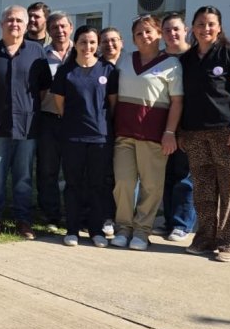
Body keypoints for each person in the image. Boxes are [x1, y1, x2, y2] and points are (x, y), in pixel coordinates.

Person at [178, 6, 230, 262]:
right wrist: (181, 131)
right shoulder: (187, 59)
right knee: (204, 189)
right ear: (193, 28)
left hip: (228, 132)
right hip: (196, 133)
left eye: (210, 24)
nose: (205, 29)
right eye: (200, 24)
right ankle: (206, 238)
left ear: (219, 27)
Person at [110, 15, 183, 251]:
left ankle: (142, 231)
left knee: (152, 186)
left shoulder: (171, 64)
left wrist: (170, 132)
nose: (144, 37)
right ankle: (123, 228)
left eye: (149, 32)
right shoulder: (125, 60)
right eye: (139, 33)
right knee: (123, 182)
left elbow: (177, 102)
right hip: (124, 133)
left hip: (153, 135)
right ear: (133, 38)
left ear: (159, 34)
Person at [0, 5, 51, 239]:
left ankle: (23, 221)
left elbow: (43, 90)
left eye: (19, 20)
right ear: (1, 24)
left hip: (27, 126)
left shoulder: (37, 52)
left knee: (23, 177)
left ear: (26, 23)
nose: (15, 24)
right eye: (10, 20)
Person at [52, 26, 118, 248]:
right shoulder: (65, 71)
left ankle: (96, 229)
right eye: (83, 42)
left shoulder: (107, 70)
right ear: (75, 43)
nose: (87, 47)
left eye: (92, 42)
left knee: (97, 185)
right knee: (73, 184)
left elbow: (112, 104)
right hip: (72, 137)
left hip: (100, 138)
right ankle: (72, 229)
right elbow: (59, 104)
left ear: (97, 44)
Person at [159, 13, 196, 242]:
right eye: (167, 30)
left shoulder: (194, 57)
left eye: (176, 29)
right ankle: (169, 221)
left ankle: (182, 223)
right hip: (162, 127)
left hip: (188, 127)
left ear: (186, 30)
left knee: (184, 177)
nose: (172, 34)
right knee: (166, 175)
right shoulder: (160, 58)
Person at [36, 12, 74, 232]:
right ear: (48, 31)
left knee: (74, 170)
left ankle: (74, 211)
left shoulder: (82, 51)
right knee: (48, 169)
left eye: (63, 26)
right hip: (48, 119)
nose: (59, 31)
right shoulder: (41, 55)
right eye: (54, 27)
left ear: (70, 27)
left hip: (75, 120)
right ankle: (51, 214)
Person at [98, 26, 125, 237]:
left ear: (122, 42)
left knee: (126, 177)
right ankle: (107, 215)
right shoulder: (97, 66)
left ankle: (126, 218)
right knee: (106, 175)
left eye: (114, 40)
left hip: (129, 127)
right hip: (105, 128)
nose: (110, 44)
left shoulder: (130, 64)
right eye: (105, 41)